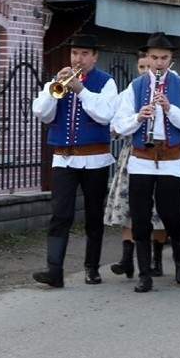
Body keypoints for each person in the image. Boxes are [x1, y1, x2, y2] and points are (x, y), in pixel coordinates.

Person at [112, 32, 180, 293]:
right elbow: (118, 124)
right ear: (146, 58)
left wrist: (170, 108)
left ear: (171, 58)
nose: (159, 63)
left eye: (163, 58)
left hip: (171, 159)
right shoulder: (136, 86)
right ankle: (144, 274)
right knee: (140, 217)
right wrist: (139, 117)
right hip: (142, 158)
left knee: (171, 214)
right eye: (154, 58)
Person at [31, 34, 118, 288]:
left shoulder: (106, 82)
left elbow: (105, 115)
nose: (77, 59)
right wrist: (53, 90)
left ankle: (91, 268)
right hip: (64, 159)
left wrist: (81, 91)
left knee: (93, 215)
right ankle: (54, 270)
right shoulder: (57, 81)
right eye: (74, 53)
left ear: (94, 56)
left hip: (95, 160)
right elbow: (42, 114)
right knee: (60, 215)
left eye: (83, 54)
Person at [105, 53, 169, 280]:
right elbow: (115, 126)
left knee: (158, 210)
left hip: (161, 156)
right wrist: (135, 119)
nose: (145, 70)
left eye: (147, 66)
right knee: (129, 207)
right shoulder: (131, 91)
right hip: (133, 153)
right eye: (141, 66)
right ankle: (126, 259)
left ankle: (157, 259)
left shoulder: (169, 89)